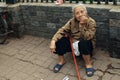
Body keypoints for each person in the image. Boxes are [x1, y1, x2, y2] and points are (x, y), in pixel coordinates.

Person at [50, 3, 96, 77]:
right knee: (59, 40)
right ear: (74, 15)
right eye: (77, 13)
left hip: (86, 45)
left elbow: (88, 37)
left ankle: (88, 64)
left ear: (86, 12)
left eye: (82, 11)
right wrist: (53, 41)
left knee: (84, 42)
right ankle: (61, 61)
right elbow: (62, 30)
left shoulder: (91, 22)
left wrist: (82, 25)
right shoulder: (72, 21)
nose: (80, 14)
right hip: (74, 43)